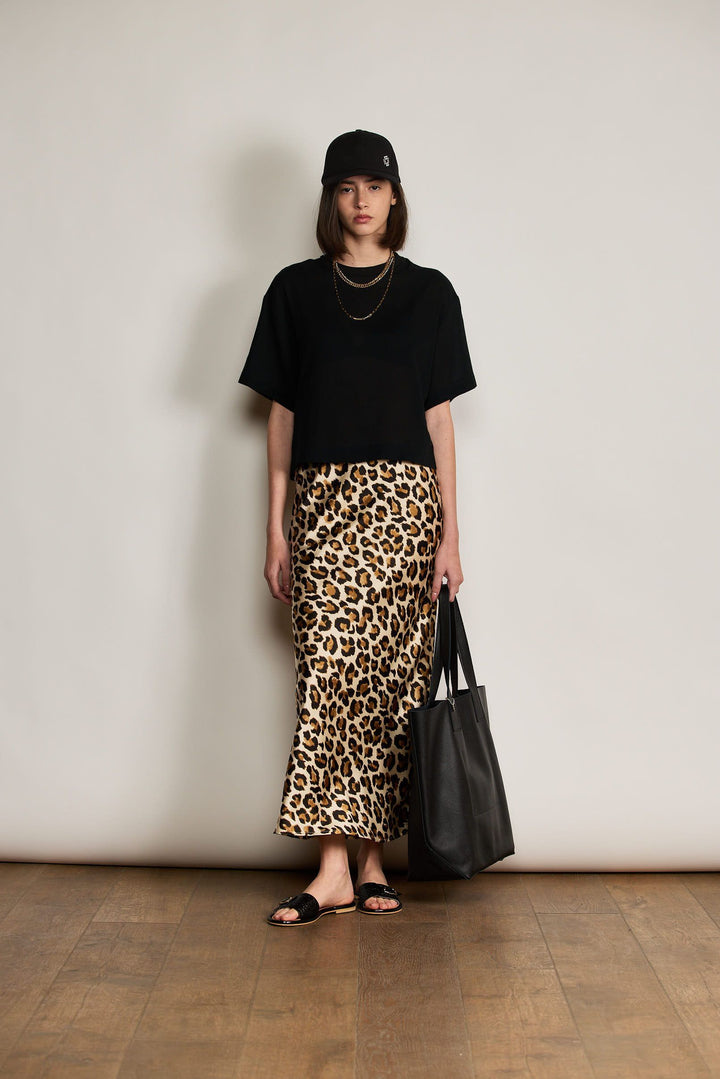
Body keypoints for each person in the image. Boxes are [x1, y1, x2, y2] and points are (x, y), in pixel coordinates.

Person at [238, 129, 477, 925]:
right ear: (330, 198)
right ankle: (331, 866)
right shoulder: (294, 292)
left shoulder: (431, 294)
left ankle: (372, 864)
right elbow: (281, 416)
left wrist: (450, 535)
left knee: (390, 687)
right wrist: (275, 529)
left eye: (374, 185)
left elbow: (439, 422)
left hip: (406, 511)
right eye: (345, 187)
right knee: (327, 679)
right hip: (326, 505)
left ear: (395, 195)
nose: (361, 200)